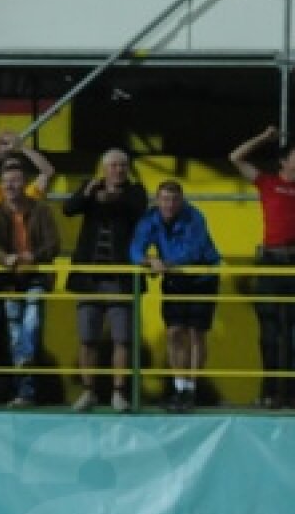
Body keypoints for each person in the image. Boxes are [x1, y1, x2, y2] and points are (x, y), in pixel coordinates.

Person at [62, 148, 148, 413]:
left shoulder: (136, 192)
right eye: (113, 166)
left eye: (123, 166)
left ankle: (118, 393)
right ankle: (88, 392)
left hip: (120, 280)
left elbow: (135, 209)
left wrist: (110, 199)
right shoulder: (90, 187)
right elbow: (69, 209)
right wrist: (87, 193)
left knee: (122, 339)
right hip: (89, 279)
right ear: (104, 168)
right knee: (88, 338)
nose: (118, 170)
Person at [130, 180, 221, 412]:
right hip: (174, 279)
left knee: (196, 333)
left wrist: (164, 264)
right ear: (157, 200)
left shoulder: (194, 217)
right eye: (165, 199)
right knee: (174, 332)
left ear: (181, 201)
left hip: (202, 278)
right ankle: (179, 388)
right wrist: (150, 260)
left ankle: (192, 389)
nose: (169, 205)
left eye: (174, 200)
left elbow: (193, 251)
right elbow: (135, 249)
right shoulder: (150, 219)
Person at [0, 159, 61, 407]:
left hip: (36, 276)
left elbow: (53, 244)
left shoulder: (41, 211)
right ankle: (25, 392)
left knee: (32, 320)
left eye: (15, 181)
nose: (10, 186)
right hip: (9, 279)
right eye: (6, 182)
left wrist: (33, 256)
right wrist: (5, 258)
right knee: (16, 334)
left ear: (25, 183)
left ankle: (25, 370)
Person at [229, 125, 295, 408]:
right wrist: (263, 138)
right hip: (270, 263)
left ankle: (290, 394)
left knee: (292, 335)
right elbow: (235, 157)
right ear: (284, 161)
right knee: (269, 333)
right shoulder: (267, 183)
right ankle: (269, 393)